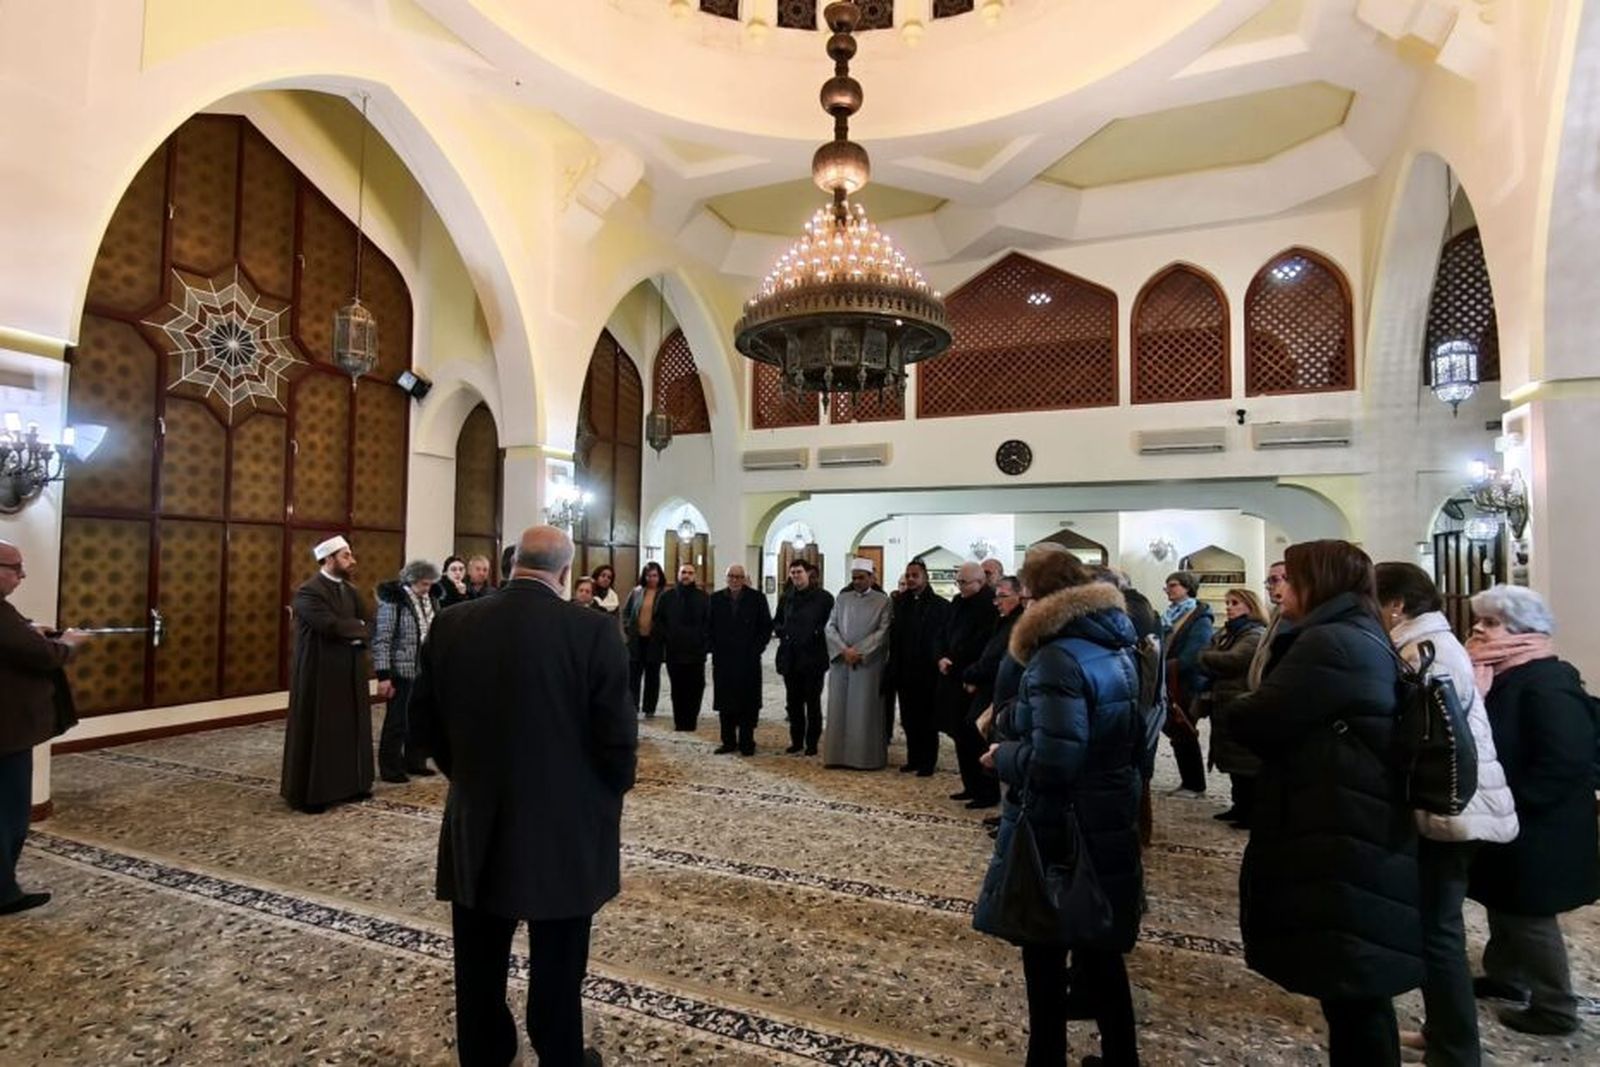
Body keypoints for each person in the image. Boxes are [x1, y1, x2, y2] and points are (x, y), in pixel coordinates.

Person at [410, 525, 635, 1067]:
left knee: (478, 959)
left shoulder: (452, 623)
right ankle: (559, 1055)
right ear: (564, 572)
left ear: (511, 566)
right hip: (566, 825)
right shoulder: (593, 632)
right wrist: (603, 796)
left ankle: (486, 1055)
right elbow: (616, 740)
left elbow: (424, 726)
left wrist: (470, 777)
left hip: (478, 819)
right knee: (559, 961)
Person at [1228, 540, 1422, 1066]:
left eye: (1289, 579)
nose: (1280, 589)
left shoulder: (1330, 642)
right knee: (1354, 983)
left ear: (1319, 582)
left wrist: (1238, 704)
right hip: (1350, 817)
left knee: (1352, 978)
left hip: (1342, 824)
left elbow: (1254, 717)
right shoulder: (1358, 633)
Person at [979, 549, 1144, 1066]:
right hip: (1107, 810)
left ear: (1039, 599)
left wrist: (1003, 754)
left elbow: (1054, 760)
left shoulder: (1056, 655)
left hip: (1062, 823)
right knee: (1099, 948)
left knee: (1045, 947)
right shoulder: (1112, 643)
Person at [1375, 562, 1517, 1065]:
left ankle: (1456, 1049)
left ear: (1396, 604)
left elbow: (1425, 735)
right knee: (1436, 927)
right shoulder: (1427, 643)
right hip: (1458, 803)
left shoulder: (1425, 650)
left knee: (1439, 934)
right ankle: (1444, 1032)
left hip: (1453, 807)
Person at [1465, 584, 1598, 1038]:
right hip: (1516, 814)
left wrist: (1515, 801)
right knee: (1504, 900)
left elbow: (1566, 759)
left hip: (1541, 822)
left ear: (1524, 631)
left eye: (1492, 623)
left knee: (1529, 913)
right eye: (1480, 621)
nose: (1479, 630)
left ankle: (1555, 1007)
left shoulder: (1546, 682)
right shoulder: (1503, 673)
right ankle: (1507, 977)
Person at [0, 540, 89, 916]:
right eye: (15, 568)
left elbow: (15, 639)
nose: (22, 576)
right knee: (8, 813)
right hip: (6, 734)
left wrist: (28, 627)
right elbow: (41, 657)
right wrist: (69, 643)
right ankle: (3, 893)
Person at [281, 535, 375, 814]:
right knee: (321, 731)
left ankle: (351, 786)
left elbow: (369, 621)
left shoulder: (351, 591)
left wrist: (356, 627)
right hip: (320, 675)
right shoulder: (308, 592)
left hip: (349, 671)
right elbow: (329, 625)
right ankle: (313, 795)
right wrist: (355, 627)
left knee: (350, 730)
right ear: (329, 558)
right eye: (346, 555)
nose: (352, 560)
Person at [1197, 587, 1268, 828]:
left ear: (1250, 606)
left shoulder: (1254, 633)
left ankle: (1251, 812)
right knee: (1233, 762)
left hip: (1239, 701)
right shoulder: (1230, 633)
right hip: (1225, 703)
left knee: (1245, 763)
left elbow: (1234, 660)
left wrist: (1207, 656)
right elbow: (1210, 657)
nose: (1229, 607)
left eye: (1235, 603)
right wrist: (1210, 657)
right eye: (1227, 602)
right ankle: (1239, 807)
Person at [372, 559, 442, 783]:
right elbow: (382, 640)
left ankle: (415, 761)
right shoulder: (394, 603)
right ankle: (390, 767)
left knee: (420, 718)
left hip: (425, 669)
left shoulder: (431, 599)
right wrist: (383, 675)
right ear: (410, 581)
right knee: (397, 720)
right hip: (402, 671)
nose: (427, 589)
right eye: (423, 585)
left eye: (430, 585)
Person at [958, 574, 1021, 809]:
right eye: (996, 597)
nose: (997, 602)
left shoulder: (1018, 624)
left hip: (1001, 694)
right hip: (988, 688)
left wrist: (970, 674)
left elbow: (997, 661)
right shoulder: (1003, 620)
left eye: (1002, 596)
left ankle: (993, 799)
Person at [822, 558, 892, 768]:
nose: (857, 582)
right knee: (839, 710)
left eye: (861, 578)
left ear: (871, 577)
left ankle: (864, 759)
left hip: (867, 666)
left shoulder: (883, 601)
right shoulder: (842, 599)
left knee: (864, 712)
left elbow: (883, 632)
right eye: (854, 578)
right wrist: (844, 650)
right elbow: (830, 627)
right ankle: (837, 757)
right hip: (842, 662)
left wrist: (858, 651)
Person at [940, 562, 997, 807]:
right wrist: (942, 655)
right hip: (953, 674)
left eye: (964, 582)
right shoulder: (957, 602)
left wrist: (959, 664)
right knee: (960, 734)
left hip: (974, 679)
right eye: (958, 582)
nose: (960, 586)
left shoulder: (989, 606)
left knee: (975, 737)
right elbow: (945, 632)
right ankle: (970, 785)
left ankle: (985, 791)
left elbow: (982, 644)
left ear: (980, 582)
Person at [886, 560, 948, 776]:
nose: (911, 579)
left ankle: (927, 762)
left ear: (925, 577)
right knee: (909, 718)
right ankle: (913, 758)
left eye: (915, 575)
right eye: (908, 575)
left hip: (928, 672)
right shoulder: (900, 602)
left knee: (927, 720)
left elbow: (941, 639)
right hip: (904, 671)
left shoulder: (940, 605)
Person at [708, 564, 773, 756]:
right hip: (724, 659)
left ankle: (746, 741)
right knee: (725, 702)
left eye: (738, 577)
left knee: (748, 702)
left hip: (748, 659)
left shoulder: (757, 598)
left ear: (744, 578)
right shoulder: (716, 599)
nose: (735, 580)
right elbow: (708, 626)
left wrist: (756, 649)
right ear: (726, 578)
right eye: (731, 576)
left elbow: (765, 627)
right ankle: (728, 741)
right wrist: (713, 647)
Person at [1160, 570, 1213, 798]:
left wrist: (1168, 666)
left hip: (1186, 682)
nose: (1168, 590)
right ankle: (1188, 781)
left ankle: (1195, 784)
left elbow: (1194, 654)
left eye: (1172, 585)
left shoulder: (1199, 617)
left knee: (1185, 729)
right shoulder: (1170, 614)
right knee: (1176, 730)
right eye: (1167, 586)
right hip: (1172, 679)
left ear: (1186, 587)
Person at [773, 560, 833, 756]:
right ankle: (796, 741)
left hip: (813, 657)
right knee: (794, 703)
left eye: (799, 572)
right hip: (790, 657)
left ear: (809, 573)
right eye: (792, 573)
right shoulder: (786, 597)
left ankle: (812, 742)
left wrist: (813, 633)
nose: (795, 576)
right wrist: (784, 632)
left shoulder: (824, 598)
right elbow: (778, 621)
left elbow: (829, 625)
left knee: (812, 702)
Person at [655, 563, 711, 732]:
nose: (686, 575)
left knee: (695, 687)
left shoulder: (703, 597)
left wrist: (704, 642)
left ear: (695, 576)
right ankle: (680, 722)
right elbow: (659, 621)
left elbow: (709, 623)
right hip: (675, 651)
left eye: (690, 573)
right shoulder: (667, 597)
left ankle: (691, 721)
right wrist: (668, 638)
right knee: (678, 688)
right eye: (683, 572)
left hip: (696, 652)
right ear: (678, 574)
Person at [622, 562, 667, 718]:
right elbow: (626, 612)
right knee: (634, 674)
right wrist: (628, 628)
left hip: (654, 641)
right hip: (636, 640)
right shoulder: (636, 592)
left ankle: (649, 708)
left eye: (654, 575)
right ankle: (633, 706)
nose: (651, 579)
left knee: (652, 675)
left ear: (659, 576)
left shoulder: (665, 594)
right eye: (648, 575)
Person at [1247, 561, 1288, 692]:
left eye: (1274, 580)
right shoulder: (1276, 612)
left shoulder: (1294, 618)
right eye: (1268, 581)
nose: (1269, 587)